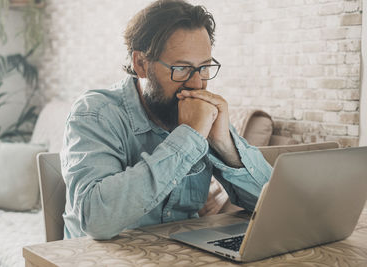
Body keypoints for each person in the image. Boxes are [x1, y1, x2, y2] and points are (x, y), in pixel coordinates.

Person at [61, 0, 272, 240]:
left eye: (204, 67)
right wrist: (188, 139)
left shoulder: (202, 112)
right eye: (181, 68)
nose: (196, 83)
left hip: (181, 254)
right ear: (140, 64)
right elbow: (96, 220)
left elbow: (275, 206)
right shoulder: (96, 113)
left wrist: (225, 145)